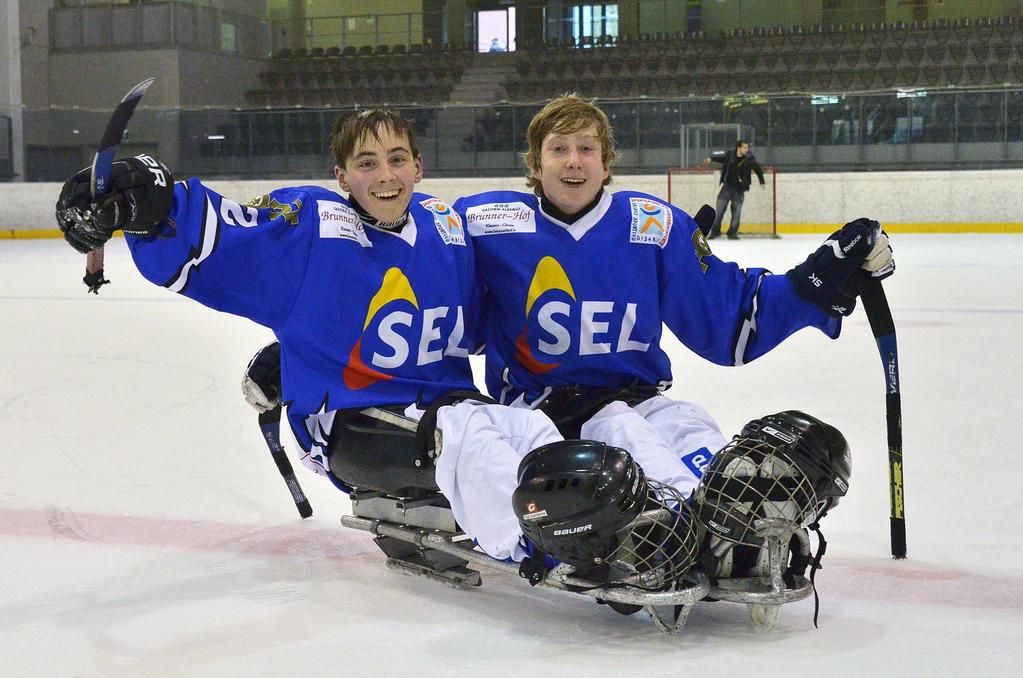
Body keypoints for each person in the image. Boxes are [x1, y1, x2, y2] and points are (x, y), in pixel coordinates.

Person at [54, 109, 579, 564]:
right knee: (471, 435)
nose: (385, 175)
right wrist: (150, 208)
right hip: (351, 424)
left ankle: (584, 520)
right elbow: (226, 233)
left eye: (398, 159)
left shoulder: (447, 227)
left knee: (528, 428)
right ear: (342, 177)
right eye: (366, 163)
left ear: (419, 167)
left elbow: (501, 298)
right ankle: (542, 543)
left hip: (440, 407)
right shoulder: (313, 227)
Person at [451, 94, 893, 575]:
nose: (574, 161)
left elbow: (728, 316)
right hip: (543, 409)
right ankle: (695, 537)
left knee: (690, 427)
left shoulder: (654, 227)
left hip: (639, 397)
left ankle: (740, 519)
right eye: (559, 149)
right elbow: (425, 274)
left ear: (607, 163)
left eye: (587, 149)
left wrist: (821, 275)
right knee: (624, 433)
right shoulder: (485, 223)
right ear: (535, 164)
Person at [702, 139, 765, 239]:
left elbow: (757, 168)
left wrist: (762, 180)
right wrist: (711, 158)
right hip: (726, 187)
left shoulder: (749, 158)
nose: (746, 149)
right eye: (744, 147)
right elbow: (720, 157)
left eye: (747, 148)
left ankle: (732, 233)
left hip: (739, 190)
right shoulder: (730, 155)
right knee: (719, 212)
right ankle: (715, 232)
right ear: (739, 148)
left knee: (736, 214)